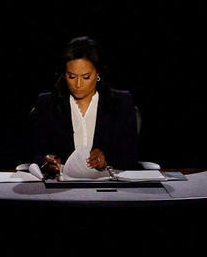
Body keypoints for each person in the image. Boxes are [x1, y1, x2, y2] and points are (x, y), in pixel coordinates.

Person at [25, 35, 142, 174]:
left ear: (97, 73)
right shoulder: (46, 104)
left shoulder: (121, 104)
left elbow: (131, 157)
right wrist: (45, 163)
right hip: (60, 189)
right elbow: (34, 153)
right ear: (63, 74)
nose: (78, 84)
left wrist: (106, 162)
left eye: (86, 77)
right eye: (72, 76)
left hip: (109, 188)